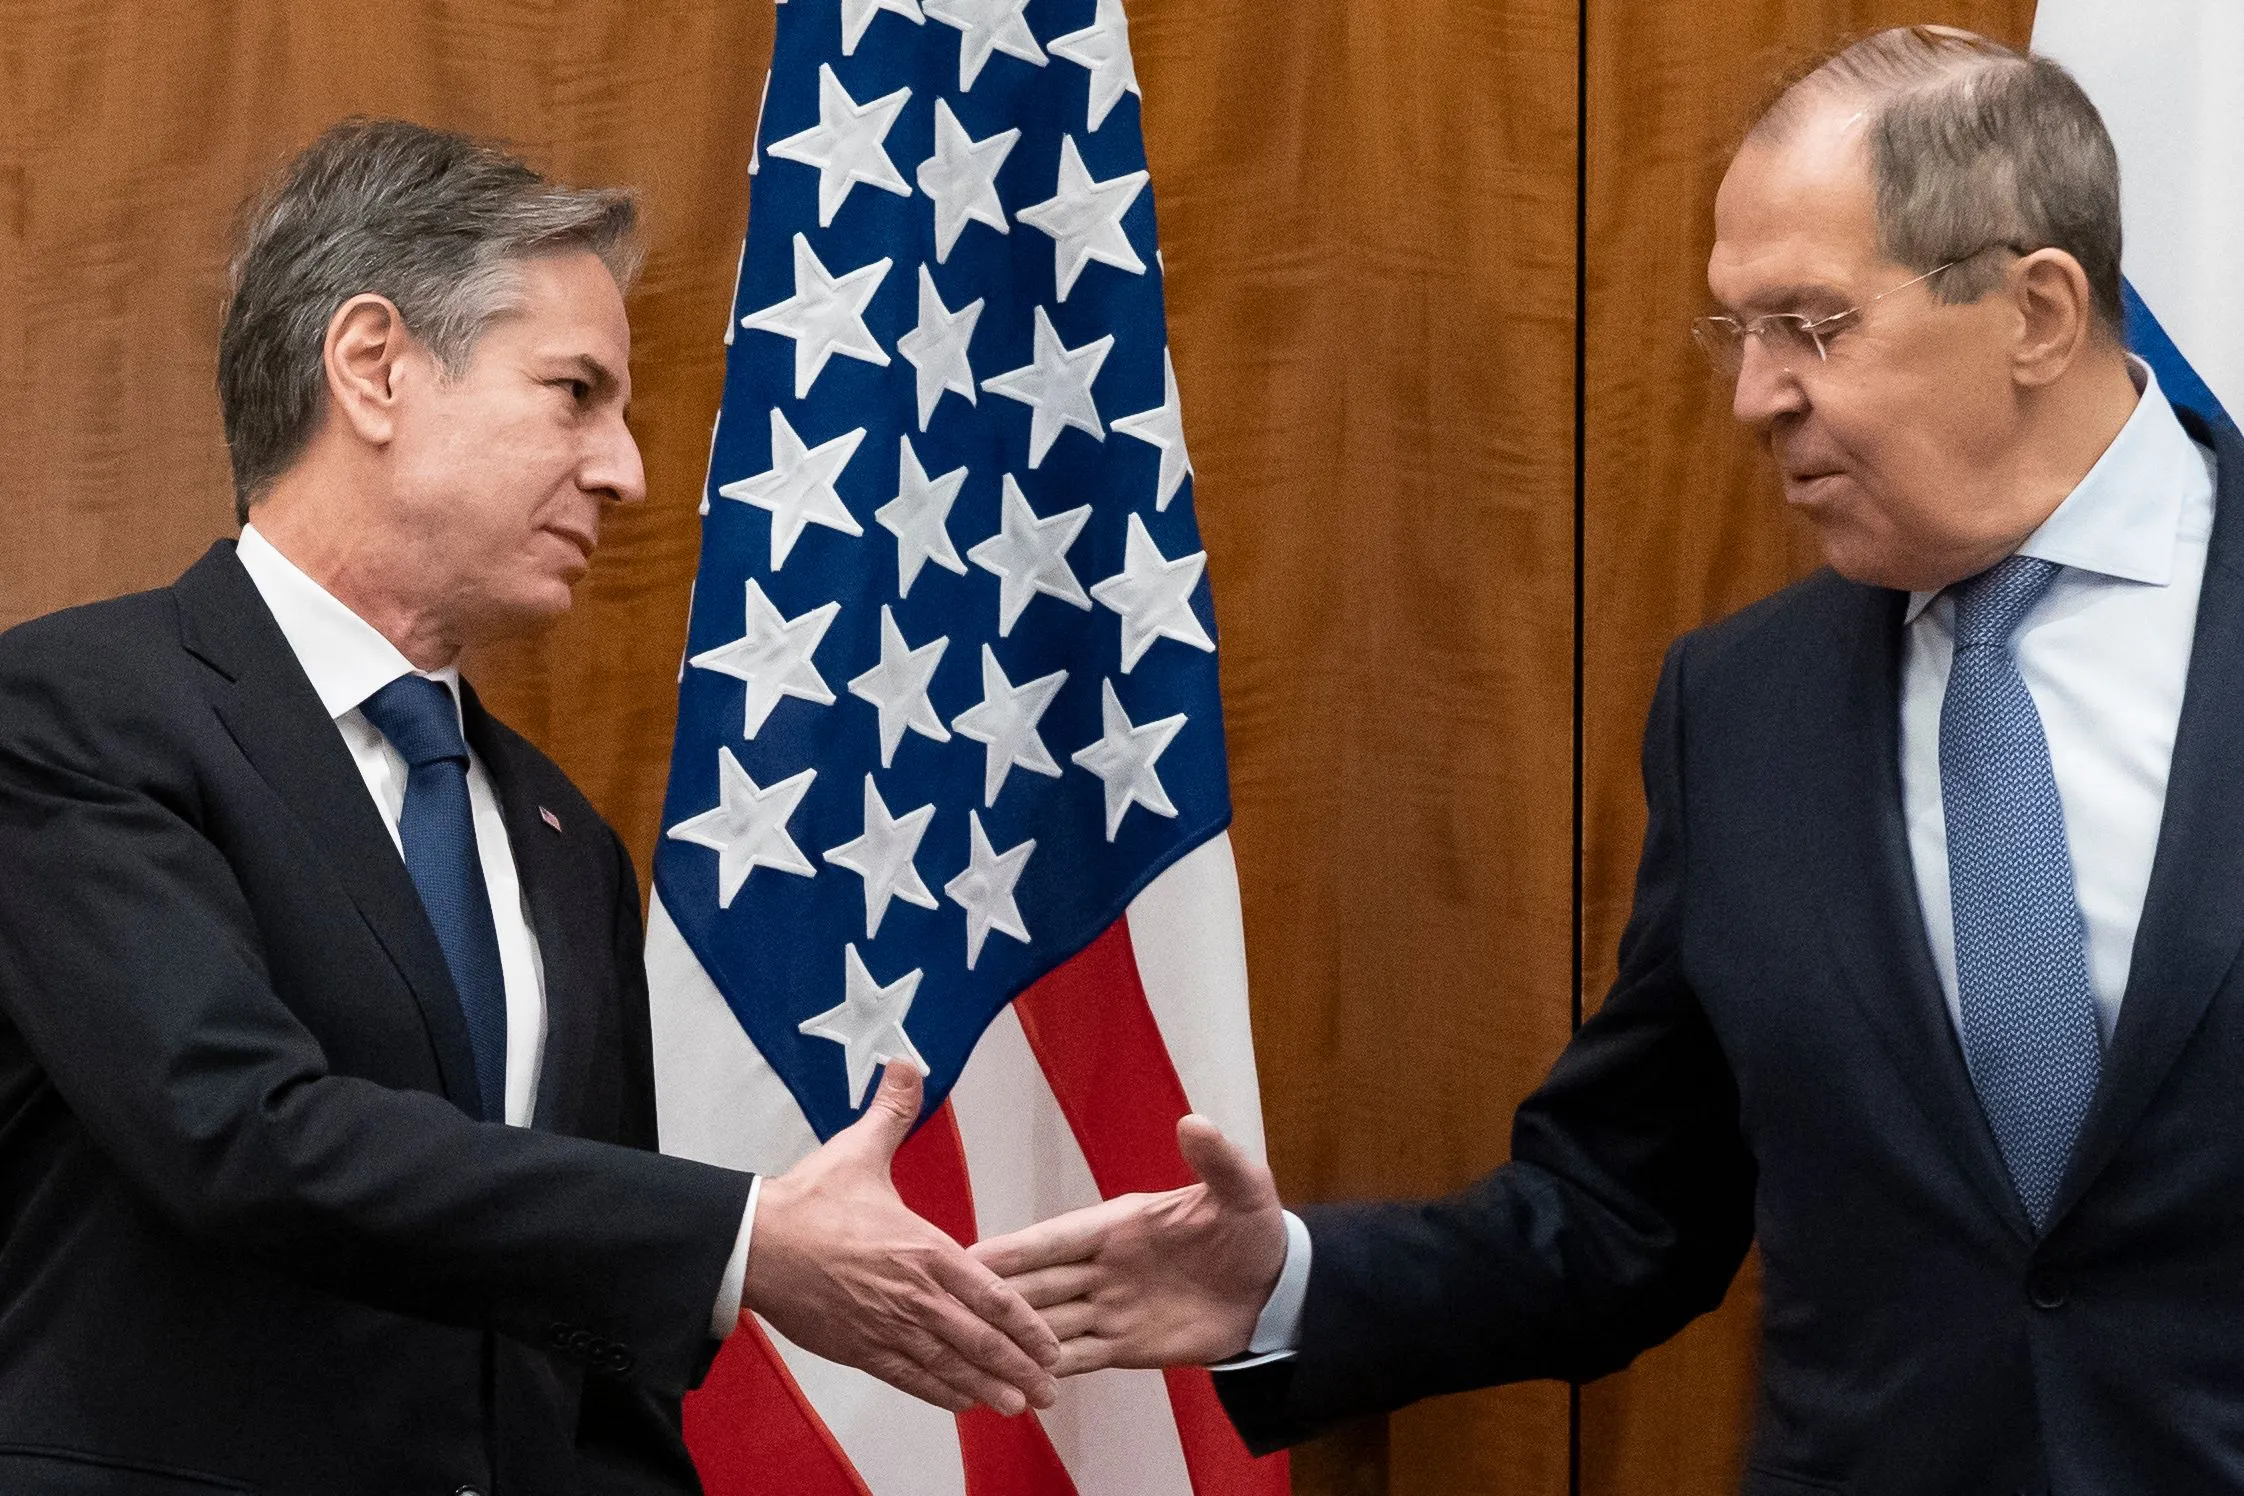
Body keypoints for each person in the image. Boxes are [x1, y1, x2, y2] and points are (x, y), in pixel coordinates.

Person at [974, 26, 2244, 1494]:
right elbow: (1627, 1211)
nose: (1755, 398)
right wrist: (1285, 1284)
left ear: (2035, 309)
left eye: (1812, 327)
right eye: (1739, 332)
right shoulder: (1745, 707)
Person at [0, 119, 1056, 1496]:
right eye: (575, 394)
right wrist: (744, 1239)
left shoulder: (562, 840)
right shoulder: (74, 712)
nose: (625, 472)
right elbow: (239, 1132)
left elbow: (586, 1341)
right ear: (374, 367)